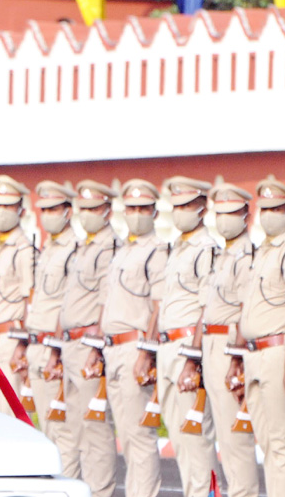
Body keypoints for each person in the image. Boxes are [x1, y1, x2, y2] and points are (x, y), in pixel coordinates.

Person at [228, 175, 285, 497]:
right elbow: (246, 310)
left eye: (276, 208)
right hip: (253, 354)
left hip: (277, 352)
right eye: (264, 209)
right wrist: (236, 357)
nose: (269, 214)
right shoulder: (260, 252)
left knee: (281, 442)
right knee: (265, 441)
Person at [179, 183, 258, 497]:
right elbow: (204, 310)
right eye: (220, 213)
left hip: (228, 347)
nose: (225, 219)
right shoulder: (218, 255)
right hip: (209, 346)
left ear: (246, 216)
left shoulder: (248, 256)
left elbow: (244, 311)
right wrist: (192, 357)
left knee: (235, 441)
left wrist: (237, 361)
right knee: (212, 437)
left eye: (232, 213)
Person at [101, 179, 167, 497]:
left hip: (134, 348)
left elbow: (158, 305)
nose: (137, 214)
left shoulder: (157, 251)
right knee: (126, 438)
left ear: (154, 212)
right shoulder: (122, 251)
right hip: (112, 348)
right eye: (132, 209)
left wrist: (147, 353)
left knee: (139, 437)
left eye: (143, 209)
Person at [152, 176, 218, 497]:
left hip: (187, 349)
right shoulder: (176, 248)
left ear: (202, 209)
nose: (179, 213)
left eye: (186, 206)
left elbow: (208, 308)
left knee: (196, 437)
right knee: (178, 438)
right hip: (167, 348)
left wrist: (194, 359)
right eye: (175, 206)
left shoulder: (206, 249)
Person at [58, 180, 120, 497]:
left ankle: (100, 492)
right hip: (68, 345)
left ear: (108, 211)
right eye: (84, 209)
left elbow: (104, 301)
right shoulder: (85, 246)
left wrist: (96, 348)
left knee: (94, 429)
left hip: (87, 345)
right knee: (71, 429)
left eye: (94, 209)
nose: (87, 215)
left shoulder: (110, 247)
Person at [12, 181, 77, 452]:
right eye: (44, 210)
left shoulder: (74, 249)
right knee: (44, 430)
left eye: (54, 209)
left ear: (68, 212)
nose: (48, 215)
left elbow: (68, 305)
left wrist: (57, 351)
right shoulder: (47, 249)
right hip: (36, 345)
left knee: (61, 432)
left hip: (54, 348)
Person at [0, 174, 35, 414]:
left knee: (10, 413)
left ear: (20, 210)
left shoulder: (24, 250)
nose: (1, 212)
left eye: (8, 206)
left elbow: (29, 300)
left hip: (10, 339)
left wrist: (23, 343)